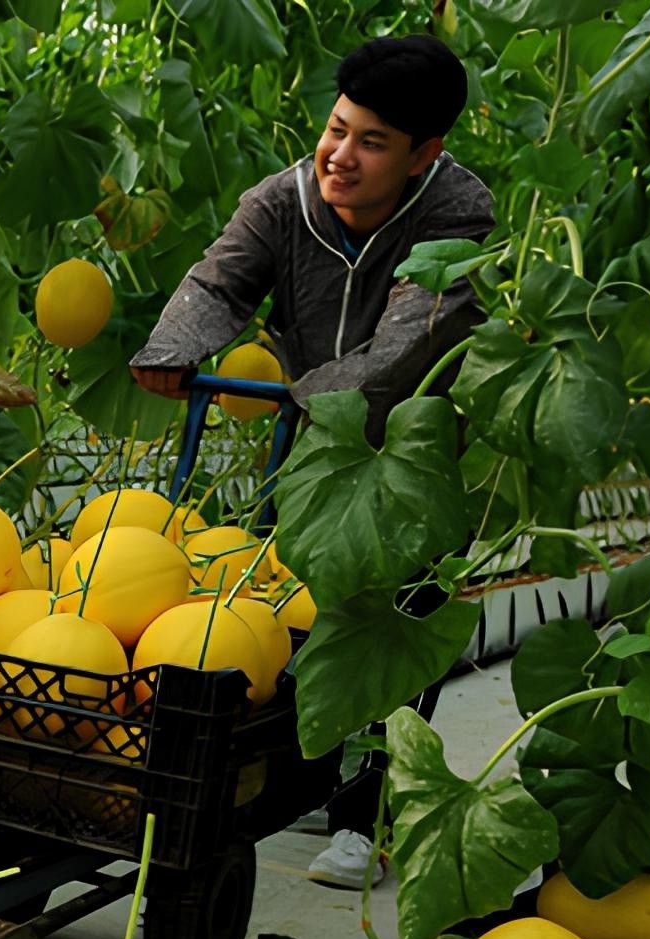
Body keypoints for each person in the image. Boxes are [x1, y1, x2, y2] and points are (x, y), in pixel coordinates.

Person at [130, 35, 495, 890]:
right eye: (337, 129)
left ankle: (360, 818)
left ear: (422, 156)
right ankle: (263, 776)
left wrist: (312, 394)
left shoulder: (456, 215)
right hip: (310, 439)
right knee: (267, 599)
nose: (340, 155)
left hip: (410, 449)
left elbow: (413, 340)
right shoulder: (282, 200)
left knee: (389, 622)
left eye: (372, 142)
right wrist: (174, 348)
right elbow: (221, 284)